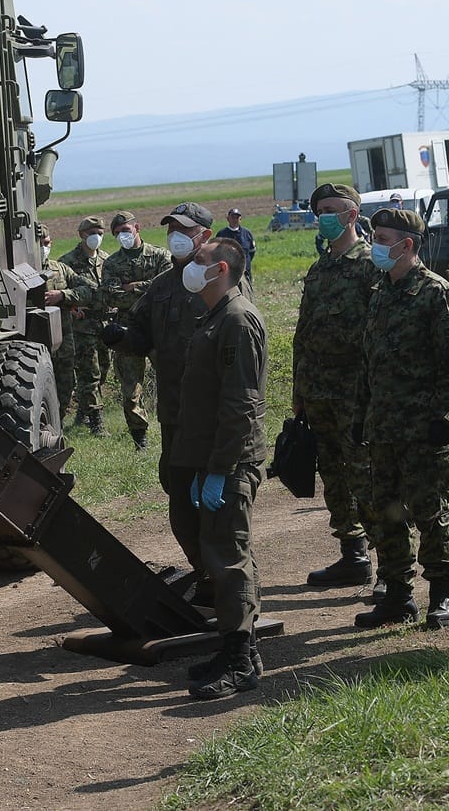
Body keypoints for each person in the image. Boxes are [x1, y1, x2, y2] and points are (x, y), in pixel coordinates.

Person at [354, 207, 449, 629]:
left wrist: (444, 417)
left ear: (408, 245)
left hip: (423, 428)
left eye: (382, 238)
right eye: (375, 236)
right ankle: (398, 595)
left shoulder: (436, 294)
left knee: (429, 511)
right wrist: (362, 414)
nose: (376, 245)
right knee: (386, 511)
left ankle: (441, 592)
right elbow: (370, 361)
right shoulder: (380, 292)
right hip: (383, 427)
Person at [102, 203, 213, 597]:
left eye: (184, 229)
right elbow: (140, 337)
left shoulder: (221, 280)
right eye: (171, 229)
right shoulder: (162, 286)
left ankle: (227, 582)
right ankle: (204, 573)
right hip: (174, 413)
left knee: (217, 505)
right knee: (180, 500)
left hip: (213, 416)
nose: (175, 236)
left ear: (205, 236)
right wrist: (118, 337)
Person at [172, 238, 267, 700]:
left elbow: (242, 404)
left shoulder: (237, 319)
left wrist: (221, 468)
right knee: (221, 553)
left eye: (200, 261)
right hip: (210, 458)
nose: (192, 266)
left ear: (221, 268)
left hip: (230, 461)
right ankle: (237, 646)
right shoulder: (214, 317)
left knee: (230, 560)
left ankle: (241, 661)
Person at [294, 183, 382, 588]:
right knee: (333, 475)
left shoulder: (370, 265)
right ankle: (353, 554)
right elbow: (304, 333)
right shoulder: (320, 268)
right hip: (319, 393)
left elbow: (381, 333)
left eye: (332, 209)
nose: (323, 216)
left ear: (351, 214)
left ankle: (392, 567)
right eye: (319, 210)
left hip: (357, 395)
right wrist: (299, 392)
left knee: (367, 477)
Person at [101, 211, 172, 449]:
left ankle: (175, 429)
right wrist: (147, 290)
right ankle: (140, 439)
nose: (123, 235)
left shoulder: (160, 256)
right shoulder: (111, 263)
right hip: (128, 332)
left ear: (137, 228)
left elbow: (166, 287)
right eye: (118, 233)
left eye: (126, 230)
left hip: (160, 328)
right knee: (131, 390)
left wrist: (132, 287)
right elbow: (111, 296)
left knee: (174, 380)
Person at [58, 218, 111, 434]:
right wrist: (71, 306)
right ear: (81, 234)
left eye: (100, 231)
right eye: (91, 232)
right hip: (82, 325)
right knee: (90, 372)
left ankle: (83, 410)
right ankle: (96, 423)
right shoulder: (68, 262)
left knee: (104, 368)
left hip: (105, 323)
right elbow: (63, 290)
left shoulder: (107, 259)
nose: (96, 236)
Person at [41, 226, 95, 420]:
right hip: (33, 347)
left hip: (62, 345)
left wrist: (64, 295)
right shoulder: (19, 269)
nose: (43, 247)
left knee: (64, 390)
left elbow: (89, 289)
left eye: (45, 243)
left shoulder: (60, 269)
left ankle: (58, 427)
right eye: (38, 243)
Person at [217, 208, 256, 283]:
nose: (235, 220)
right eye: (233, 217)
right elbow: (217, 253)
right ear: (228, 219)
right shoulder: (221, 234)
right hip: (228, 273)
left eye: (237, 218)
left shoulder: (247, 233)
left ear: (240, 219)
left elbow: (252, 251)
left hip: (245, 272)